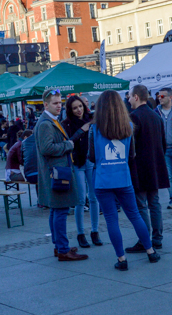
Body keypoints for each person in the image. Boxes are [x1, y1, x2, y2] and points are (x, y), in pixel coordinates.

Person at [89, 90, 160, 270]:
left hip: (103, 180)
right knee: (135, 215)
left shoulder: (94, 129)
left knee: (112, 220)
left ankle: (122, 259)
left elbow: (91, 156)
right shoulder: (128, 126)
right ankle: (151, 251)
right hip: (123, 178)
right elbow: (132, 155)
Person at [36, 90, 89, 261]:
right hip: (57, 173)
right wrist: (68, 145)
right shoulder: (45, 123)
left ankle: (59, 246)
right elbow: (47, 148)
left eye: (60, 102)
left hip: (56, 172)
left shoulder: (50, 121)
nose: (59, 106)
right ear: (46, 105)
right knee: (60, 210)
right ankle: (63, 249)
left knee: (56, 210)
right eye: (55, 103)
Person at [126, 84, 170, 252]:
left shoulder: (134, 117)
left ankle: (144, 239)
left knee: (141, 206)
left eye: (130, 96)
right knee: (155, 203)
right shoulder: (156, 116)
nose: (129, 100)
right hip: (156, 166)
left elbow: (131, 146)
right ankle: (157, 238)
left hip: (140, 168)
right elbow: (163, 144)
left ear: (136, 97)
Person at [62, 95, 101, 248]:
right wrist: (81, 130)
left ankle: (95, 231)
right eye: (75, 108)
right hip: (76, 163)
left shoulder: (91, 119)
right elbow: (68, 142)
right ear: (70, 110)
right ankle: (80, 233)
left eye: (80, 106)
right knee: (80, 200)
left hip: (90, 161)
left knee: (94, 197)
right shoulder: (66, 124)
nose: (79, 110)